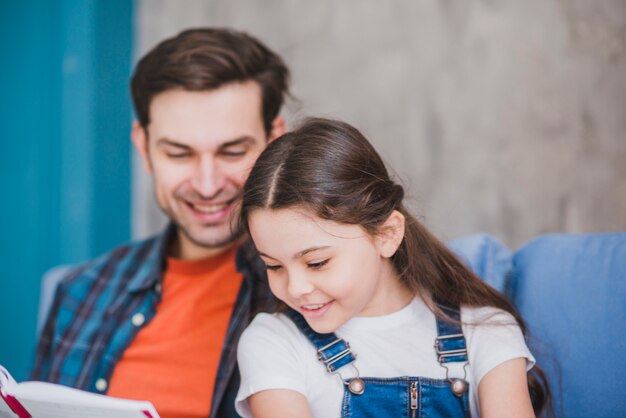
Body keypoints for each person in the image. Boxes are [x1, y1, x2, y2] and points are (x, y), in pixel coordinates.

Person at [32, 28, 290, 418]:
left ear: (275, 140)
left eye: (233, 151)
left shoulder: (315, 291)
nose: (207, 185)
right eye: (179, 154)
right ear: (144, 146)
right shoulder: (80, 292)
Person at [234, 118, 549, 417]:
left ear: (386, 234)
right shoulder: (273, 342)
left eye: (317, 262)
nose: (295, 287)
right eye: (273, 266)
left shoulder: (486, 333)